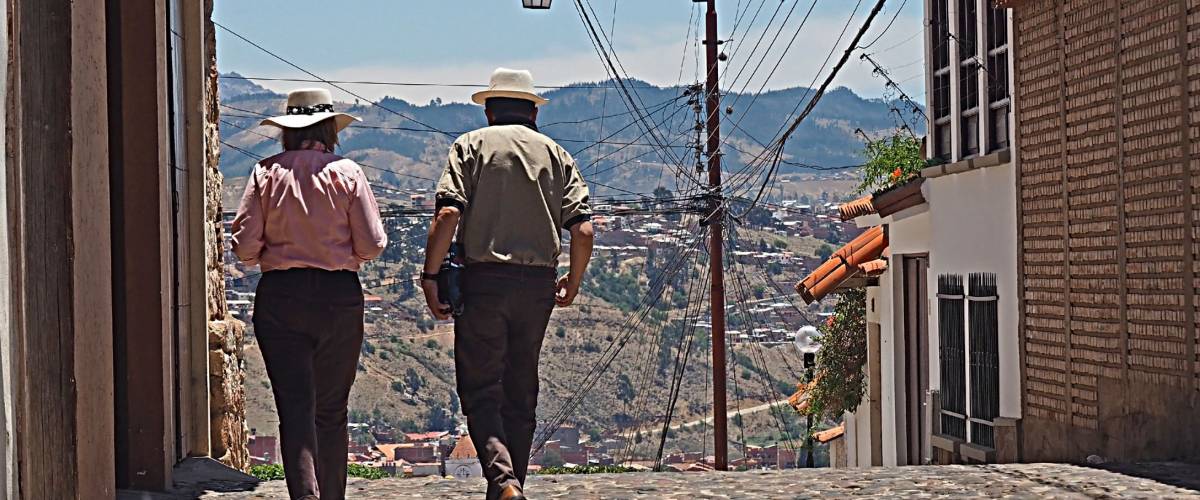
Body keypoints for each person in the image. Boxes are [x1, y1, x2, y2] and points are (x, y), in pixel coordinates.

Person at [422, 68, 595, 500]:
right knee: (522, 391)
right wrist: (572, 281)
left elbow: (447, 215)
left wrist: (430, 276)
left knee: (481, 389)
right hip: (537, 286)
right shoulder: (557, 154)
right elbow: (584, 231)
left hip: (483, 283)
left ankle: (503, 483)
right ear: (533, 111)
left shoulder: (470, 147)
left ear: (489, 110)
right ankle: (509, 486)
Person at [231, 88, 387, 500]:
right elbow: (372, 244)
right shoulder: (348, 173)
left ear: (287, 132)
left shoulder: (265, 173)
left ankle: (305, 496)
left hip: (281, 296)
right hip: (339, 296)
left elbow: (245, 247)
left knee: (295, 408)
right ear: (330, 131)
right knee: (331, 410)